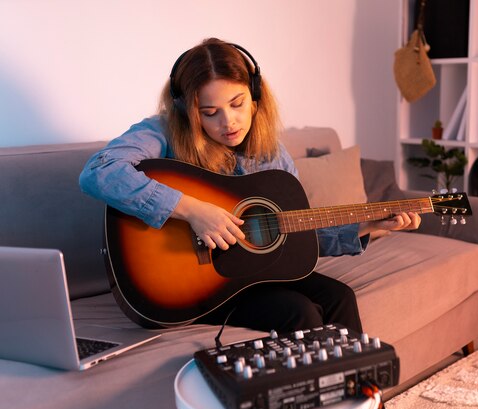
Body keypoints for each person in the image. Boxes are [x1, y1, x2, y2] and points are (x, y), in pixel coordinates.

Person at [79, 38, 420, 334]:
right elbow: (99, 172)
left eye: (237, 104)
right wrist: (193, 210)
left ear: (255, 97)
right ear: (186, 110)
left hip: (257, 275)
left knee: (339, 297)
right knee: (297, 312)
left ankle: (365, 403)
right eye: (208, 112)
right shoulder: (162, 132)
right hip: (195, 286)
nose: (228, 121)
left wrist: (366, 227)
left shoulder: (273, 153)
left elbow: (295, 235)